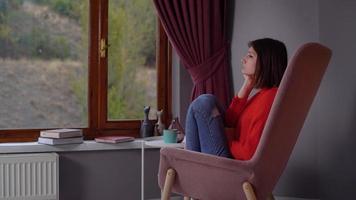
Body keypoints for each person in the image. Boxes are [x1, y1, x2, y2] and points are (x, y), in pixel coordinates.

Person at [185, 38, 288, 160]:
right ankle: (192, 165)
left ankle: (191, 165)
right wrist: (247, 85)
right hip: (230, 154)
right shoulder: (262, 95)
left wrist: (224, 138)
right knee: (208, 100)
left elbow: (250, 153)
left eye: (250, 56)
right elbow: (229, 121)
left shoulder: (269, 99)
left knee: (203, 104)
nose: (243, 59)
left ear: (265, 62)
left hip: (235, 165)